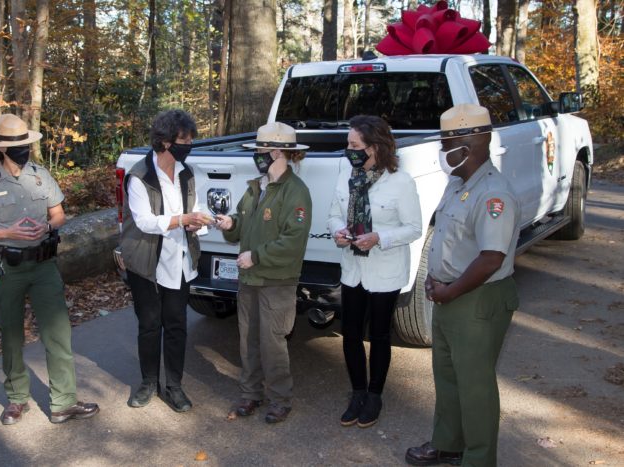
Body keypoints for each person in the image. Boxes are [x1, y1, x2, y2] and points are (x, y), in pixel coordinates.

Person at [0, 114, 99, 425]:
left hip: (43, 266)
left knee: (58, 334)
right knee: (11, 335)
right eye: (18, 144)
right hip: (5, 269)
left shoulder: (41, 175)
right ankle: (16, 399)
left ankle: (63, 402)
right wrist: (6, 232)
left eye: (26, 142)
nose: (24, 148)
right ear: (2, 148)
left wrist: (46, 226)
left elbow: (59, 214)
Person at [405, 104, 520, 467]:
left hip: (476, 300)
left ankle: (479, 459)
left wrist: (450, 291)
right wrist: (435, 281)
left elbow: (491, 259)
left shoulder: (493, 194)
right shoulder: (458, 183)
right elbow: (446, 239)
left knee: (475, 386)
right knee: (448, 376)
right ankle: (449, 443)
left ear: (471, 143)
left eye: (447, 141)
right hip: (449, 295)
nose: (443, 150)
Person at [327, 115, 422, 428]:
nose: (349, 150)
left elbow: (413, 228)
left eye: (355, 145)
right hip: (352, 268)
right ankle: (357, 392)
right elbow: (332, 216)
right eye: (348, 144)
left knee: (379, 334)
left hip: (385, 270)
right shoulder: (346, 175)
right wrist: (339, 232)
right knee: (350, 333)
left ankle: (375, 395)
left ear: (376, 148)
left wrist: (380, 237)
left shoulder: (401, 182)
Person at [215, 122, 312, 424]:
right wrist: (230, 225)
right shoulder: (255, 188)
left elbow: (293, 242)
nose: (257, 156)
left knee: (273, 343)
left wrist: (256, 256)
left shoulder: (296, 192)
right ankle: (250, 395)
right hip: (250, 280)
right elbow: (242, 224)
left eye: (260, 151)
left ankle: (280, 399)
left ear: (278, 152)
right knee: (249, 340)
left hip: (276, 281)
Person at [119, 109, 212, 412]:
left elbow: (196, 208)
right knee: (149, 324)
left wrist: (199, 223)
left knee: (176, 325)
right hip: (146, 262)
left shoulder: (187, 172)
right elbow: (145, 221)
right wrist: (181, 218)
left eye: (190, 139)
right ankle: (148, 383)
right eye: (184, 140)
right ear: (165, 141)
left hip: (180, 261)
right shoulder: (139, 176)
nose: (189, 145)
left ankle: (174, 386)